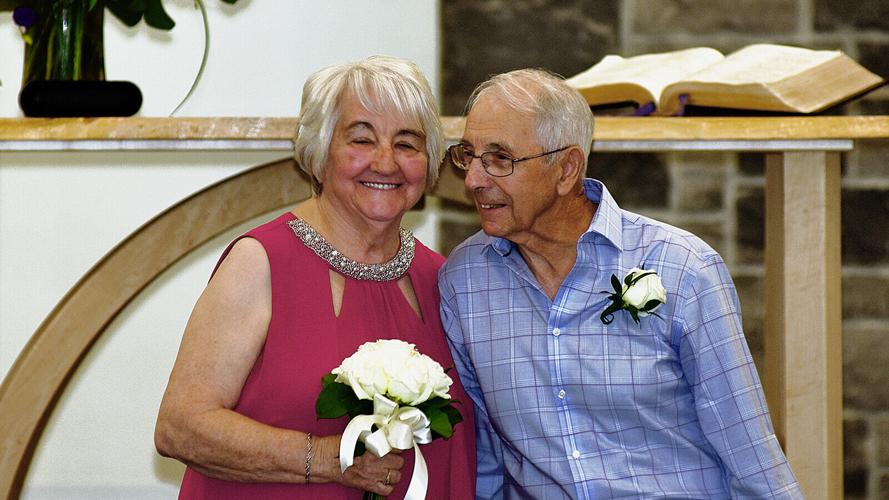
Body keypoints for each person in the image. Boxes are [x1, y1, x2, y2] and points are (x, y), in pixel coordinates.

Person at [439, 68, 802, 498]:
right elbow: (481, 465)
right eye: (468, 154)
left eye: (500, 158)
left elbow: (751, 456)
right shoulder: (464, 280)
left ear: (566, 169)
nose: (474, 180)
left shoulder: (683, 268)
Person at [155, 55, 476, 499]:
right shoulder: (261, 263)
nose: (385, 162)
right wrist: (332, 458)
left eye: (407, 144)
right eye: (361, 140)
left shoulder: (443, 280)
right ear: (320, 151)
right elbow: (181, 427)